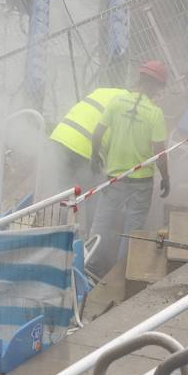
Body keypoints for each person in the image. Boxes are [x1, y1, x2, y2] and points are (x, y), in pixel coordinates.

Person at [86, 61, 170, 279]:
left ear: (140, 79)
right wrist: (166, 177)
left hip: (114, 178)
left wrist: (95, 157)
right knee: (133, 229)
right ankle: (119, 273)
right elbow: (160, 151)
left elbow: (97, 134)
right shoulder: (155, 113)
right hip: (141, 181)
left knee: (102, 220)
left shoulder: (116, 102)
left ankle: (90, 265)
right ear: (156, 86)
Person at [49, 87, 127, 233]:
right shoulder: (129, 106)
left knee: (66, 193)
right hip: (84, 147)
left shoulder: (104, 91)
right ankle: (91, 239)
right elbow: (119, 146)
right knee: (93, 195)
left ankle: (61, 235)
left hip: (61, 137)